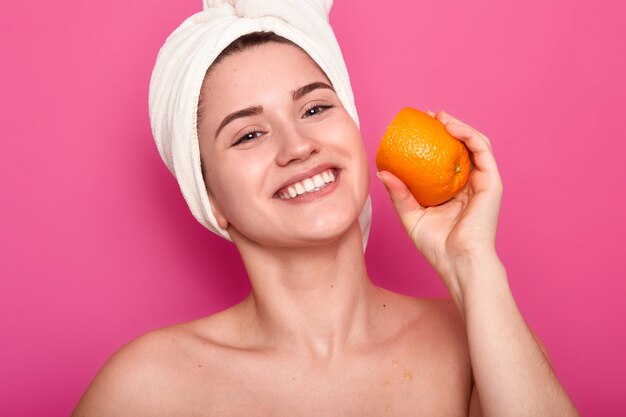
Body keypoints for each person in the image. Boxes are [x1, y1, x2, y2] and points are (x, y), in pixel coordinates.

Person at [73, 1, 579, 416]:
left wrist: (473, 265)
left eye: (315, 108)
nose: (297, 146)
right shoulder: (146, 390)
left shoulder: (480, 344)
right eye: (249, 133)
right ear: (210, 200)